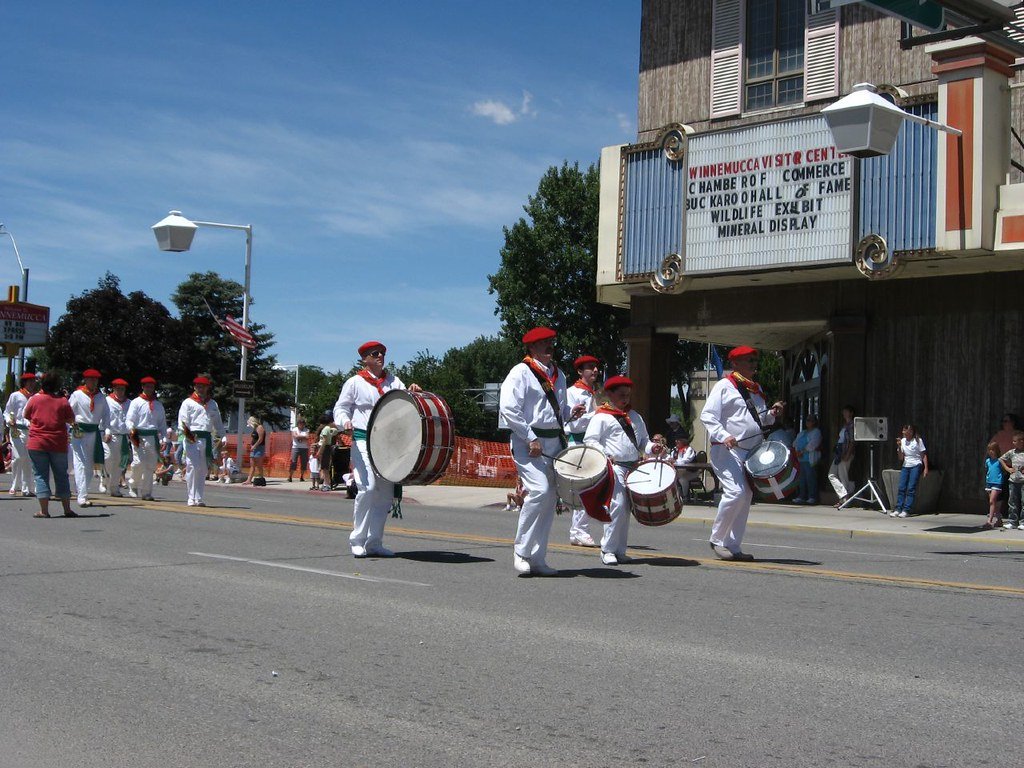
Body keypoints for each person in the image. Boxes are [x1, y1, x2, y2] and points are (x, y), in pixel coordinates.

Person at [498, 326, 585, 576]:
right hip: (528, 443)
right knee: (539, 490)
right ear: (532, 347)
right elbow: (509, 409)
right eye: (544, 343)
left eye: (551, 342)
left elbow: (557, 413)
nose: (549, 346)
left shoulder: (559, 375)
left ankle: (538, 558)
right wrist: (530, 437)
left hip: (553, 443)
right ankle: (521, 551)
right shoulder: (520, 372)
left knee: (548, 500)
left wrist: (570, 413)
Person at [334, 340, 421, 557]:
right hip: (363, 439)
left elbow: (406, 401)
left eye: (382, 353)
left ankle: (374, 542)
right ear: (365, 359)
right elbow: (341, 407)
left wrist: (413, 391)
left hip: (388, 443)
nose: (380, 356)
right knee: (368, 487)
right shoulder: (354, 382)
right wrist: (344, 421)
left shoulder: (393, 381)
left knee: (385, 493)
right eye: (375, 354)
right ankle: (358, 539)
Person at [699, 346, 783, 561]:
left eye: (755, 360)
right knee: (736, 492)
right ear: (735, 364)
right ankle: (717, 540)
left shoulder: (755, 389)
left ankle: (733, 545)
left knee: (746, 496)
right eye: (749, 360)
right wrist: (724, 434)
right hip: (727, 450)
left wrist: (771, 414)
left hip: (750, 452)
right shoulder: (724, 386)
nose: (754, 364)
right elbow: (708, 415)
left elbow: (760, 420)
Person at [584, 375, 658, 565]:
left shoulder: (635, 416)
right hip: (614, 467)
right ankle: (607, 549)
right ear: (609, 394)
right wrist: (604, 453)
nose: (625, 399)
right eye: (621, 395)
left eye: (628, 395)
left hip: (633, 468)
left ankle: (620, 550)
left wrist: (653, 448)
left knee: (626, 510)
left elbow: (643, 442)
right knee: (617, 506)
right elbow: (590, 440)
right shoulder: (601, 416)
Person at [22, 372, 76, 518]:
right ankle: (67, 509)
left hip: (37, 442)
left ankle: (44, 511)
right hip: (57, 442)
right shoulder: (63, 401)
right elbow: (71, 419)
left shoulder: (35, 399)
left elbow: (26, 415)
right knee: (61, 475)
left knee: (40, 475)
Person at [564, 354, 600, 547]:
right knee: (584, 489)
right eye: (590, 367)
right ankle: (579, 530)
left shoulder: (592, 393)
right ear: (580, 371)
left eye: (595, 367)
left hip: (589, 445)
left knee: (588, 489)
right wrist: (598, 414)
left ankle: (578, 530)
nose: (595, 370)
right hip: (578, 444)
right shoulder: (573, 392)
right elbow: (572, 423)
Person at [177, 376, 225, 507]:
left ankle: (199, 497)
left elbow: (218, 423)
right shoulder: (188, 402)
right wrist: (188, 436)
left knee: (203, 469)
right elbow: (182, 422)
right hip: (192, 437)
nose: (201, 389)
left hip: (207, 438)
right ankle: (191, 497)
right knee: (193, 466)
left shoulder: (213, 403)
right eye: (198, 386)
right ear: (194, 387)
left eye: (203, 386)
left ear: (207, 388)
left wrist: (223, 436)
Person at [69, 368, 109, 508]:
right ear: (85, 380)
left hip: (94, 432)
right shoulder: (77, 394)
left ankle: (81, 489)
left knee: (89, 465)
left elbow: (106, 415)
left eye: (96, 379)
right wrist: (71, 424)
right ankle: (82, 496)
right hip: (79, 431)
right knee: (80, 462)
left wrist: (106, 430)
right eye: (91, 379)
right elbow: (68, 411)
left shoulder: (101, 397)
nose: (93, 382)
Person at [125, 376, 167, 501]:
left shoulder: (158, 405)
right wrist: (132, 431)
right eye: (147, 386)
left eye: (151, 387)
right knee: (139, 462)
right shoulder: (136, 402)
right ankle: (133, 484)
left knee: (150, 465)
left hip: (152, 437)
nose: (149, 389)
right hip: (139, 436)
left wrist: (164, 439)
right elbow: (129, 419)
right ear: (143, 387)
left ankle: (147, 492)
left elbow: (162, 424)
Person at [4, 371, 40, 497]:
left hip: (31, 430)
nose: (31, 383)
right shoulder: (15, 395)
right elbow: (7, 411)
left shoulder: (36, 397)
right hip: (16, 429)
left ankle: (26, 487)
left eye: (33, 381)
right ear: (24, 383)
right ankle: (14, 484)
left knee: (29, 459)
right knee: (18, 457)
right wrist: (9, 420)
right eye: (29, 381)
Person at [891, 424, 929, 518]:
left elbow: (923, 455)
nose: (904, 433)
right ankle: (898, 508)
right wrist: (899, 447)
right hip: (906, 465)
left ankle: (906, 510)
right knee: (901, 487)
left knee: (911, 488)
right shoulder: (902, 441)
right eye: (903, 431)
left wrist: (926, 468)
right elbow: (901, 458)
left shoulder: (918, 441)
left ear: (911, 432)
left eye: (906, 432)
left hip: (916, 464)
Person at [102, 378, 132, 497]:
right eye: (118, 388)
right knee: (108, 458)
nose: (120, 391)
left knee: (120, 463)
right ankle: (104, 479)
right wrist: (106, 431)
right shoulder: (107, 401)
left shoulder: (129, 403)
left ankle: (114, 488)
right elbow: (104, 419)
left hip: (124, 436)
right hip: (110, 434)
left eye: (122, 389)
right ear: (113, 389)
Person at [828, 405, 856, 507]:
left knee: (843, 475)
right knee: (832, 474)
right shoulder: (845, 425)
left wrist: (848, 453)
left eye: (846, 411)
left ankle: (844, 500)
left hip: (846, 452)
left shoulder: (852, 425)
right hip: (839, 452)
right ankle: (844, 496)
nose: (844, 413)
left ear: (851, 413)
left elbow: (852, 441)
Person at [793, 414, 823, 505]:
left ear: (814, 422)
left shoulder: (816, 432)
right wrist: (797, 452)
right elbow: (795, 442)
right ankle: (801, 496)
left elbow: (813, 444)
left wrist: (802, 452)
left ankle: (812, 496)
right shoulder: (802, 432)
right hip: (801, 459)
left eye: (810, 420)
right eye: (807, 420)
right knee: (801, 479)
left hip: (810, 459)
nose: (808, 422)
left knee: (811, 478)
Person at [999, 431, 1024, 530]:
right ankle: (1012, 521)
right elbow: (1001, 459)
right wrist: (1008, 468)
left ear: (1021, 441)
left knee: (1023, 502)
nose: (1013, 443)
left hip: (1023, 481)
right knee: (1012, 502)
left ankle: (1022, 522)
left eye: (1015, 441)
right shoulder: (1012, 452)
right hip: (1013, 481)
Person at [314, 415, 338, 491]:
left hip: (324, 448)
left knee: (324, 468)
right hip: (327, 447)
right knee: (325, 467)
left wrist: (319, 451)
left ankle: (327, 484)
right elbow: (335, 431)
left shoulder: (325, 429)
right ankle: (326, 483)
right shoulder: (330, 429)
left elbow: (324, 441)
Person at [984, 441, 1004, 529]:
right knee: (993, 503)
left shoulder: (1000, 460)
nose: (991, 451)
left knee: (992, 501)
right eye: (989, 450)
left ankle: (989, 521)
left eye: (993, 450)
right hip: (989, 482)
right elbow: (987, 470)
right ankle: (999, 519)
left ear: (996, 450)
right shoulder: (988, 461)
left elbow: (1004, 469)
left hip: (997, 483)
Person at [244, 415, 266, 484]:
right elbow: (254, 438)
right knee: (252, 465)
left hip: (259, 448)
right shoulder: (254, 428)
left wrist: (254, 446)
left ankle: (261, 478)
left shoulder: (260, 427)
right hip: (253, 448)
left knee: (259, 465)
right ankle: (249, 480)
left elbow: (260, 439)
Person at [288, 417, 309, 482]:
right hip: (296, 447)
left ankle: (301, 476)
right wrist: (303, 437)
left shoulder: (306, 430)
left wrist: (299, 436)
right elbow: (295, 436)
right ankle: (290, 476)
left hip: (304, 448)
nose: (302, 425)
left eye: (303, 424)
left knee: (304, 462)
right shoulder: (294, 429)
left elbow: (307, 437)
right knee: (293, 462)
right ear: (298, 424)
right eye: (300, 423)